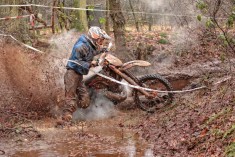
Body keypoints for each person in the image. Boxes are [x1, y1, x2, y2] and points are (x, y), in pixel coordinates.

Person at [61, 26, 111, 123]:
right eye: (100, 40)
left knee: (85, 101)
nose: (101, 42)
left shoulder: (89, 45)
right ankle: (65, 118)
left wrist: (103, 50)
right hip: (72, 73)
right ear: (94, 37)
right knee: (70, 97)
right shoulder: (80, 46)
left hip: (79, 75)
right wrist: (90, 63)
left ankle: (75, 112)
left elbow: (93, 51)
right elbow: (76, 62)